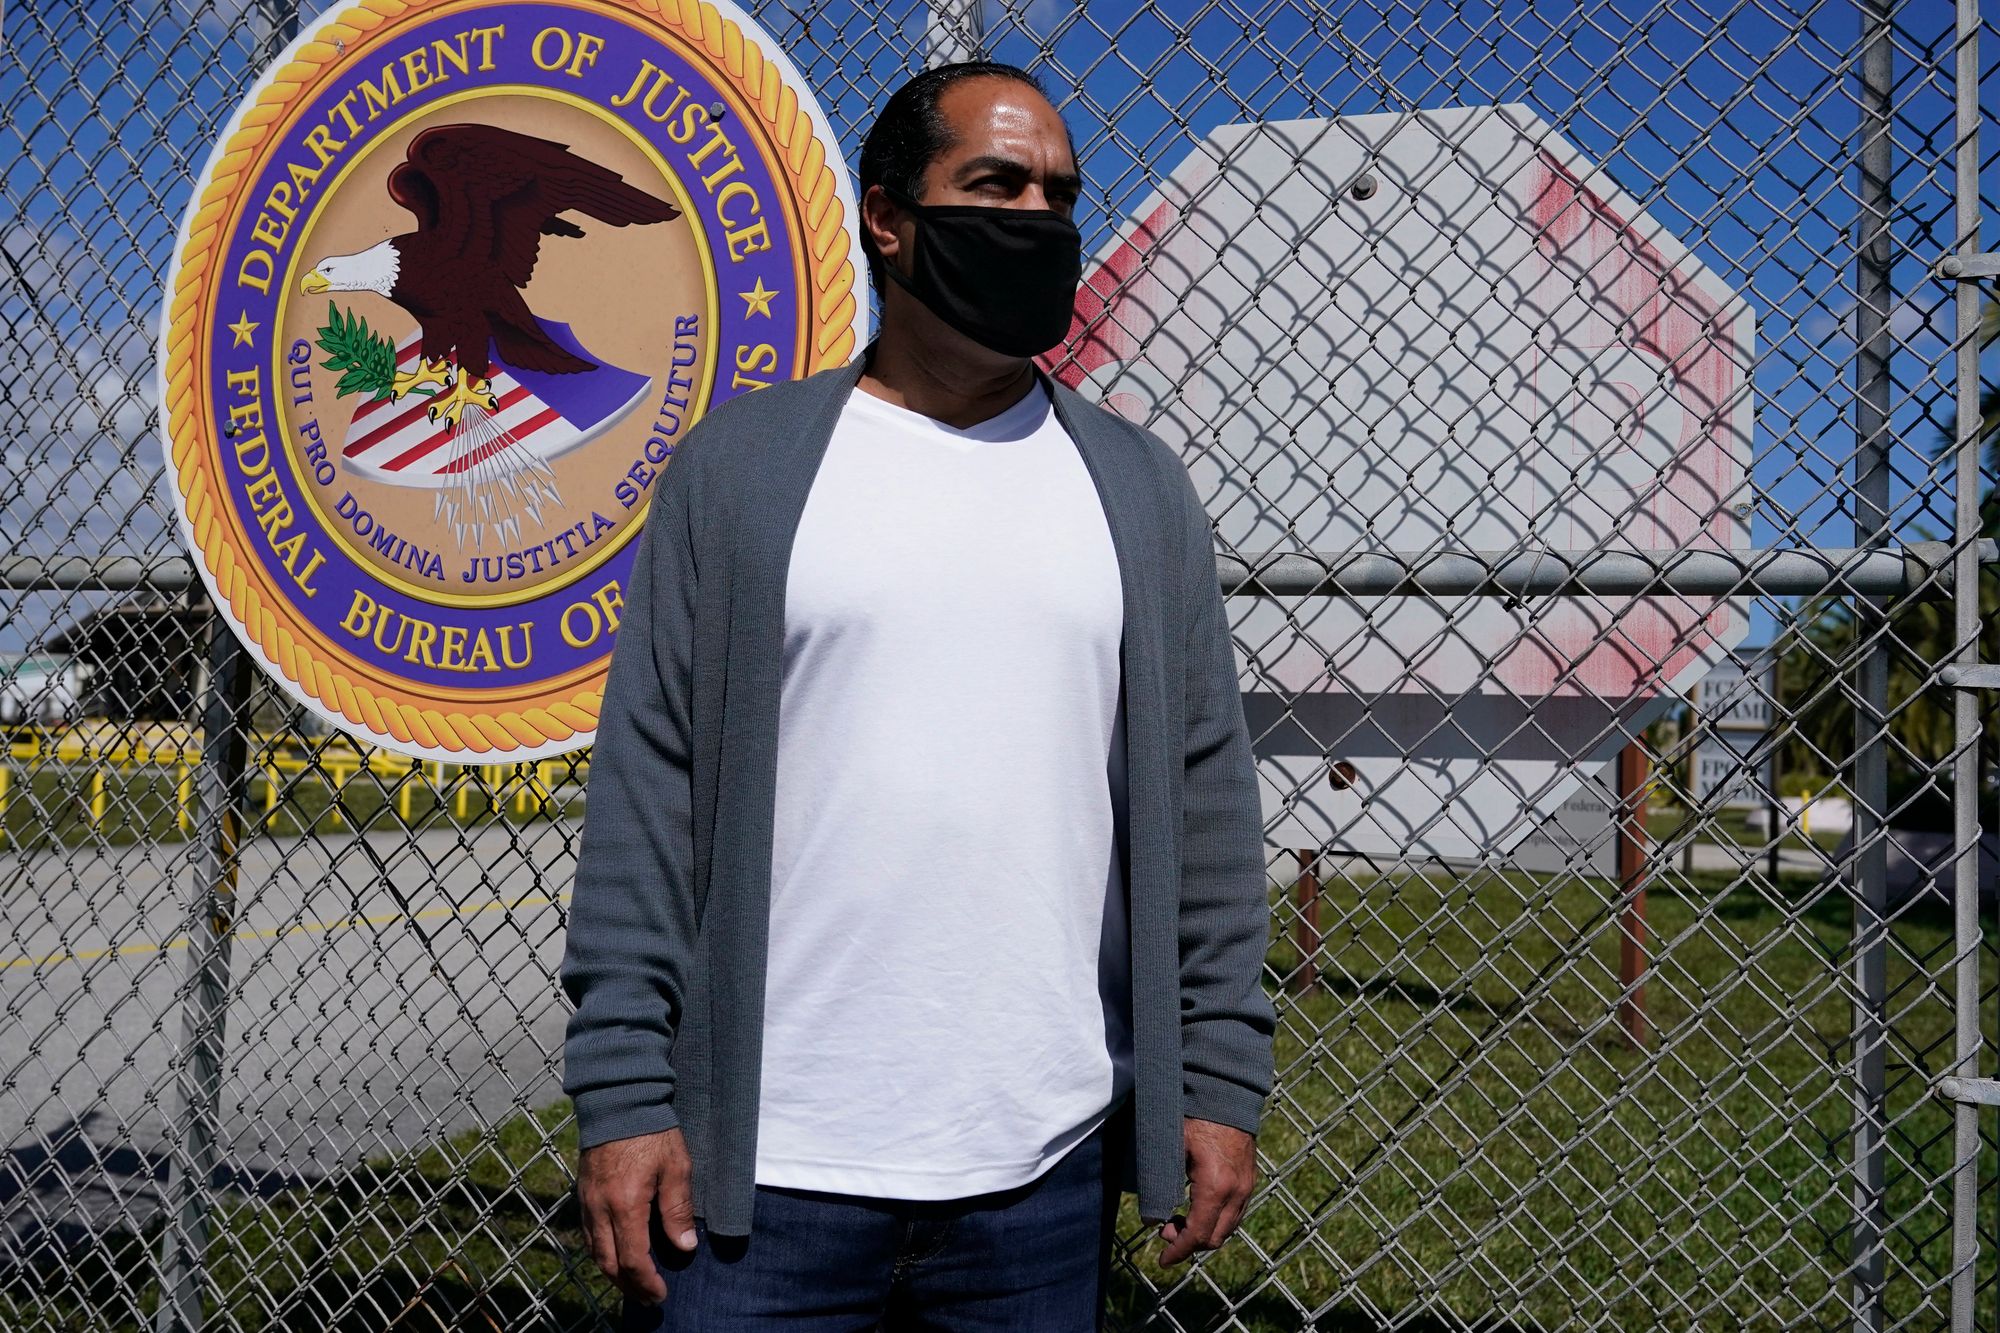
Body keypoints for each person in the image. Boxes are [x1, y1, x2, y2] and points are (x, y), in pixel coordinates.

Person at [561, 60, 1275, 1330]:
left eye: (1058, 195)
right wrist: (624, 1096)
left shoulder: (1134, 489)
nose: (1035, 220)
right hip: (758, 1177)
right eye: (992, 183)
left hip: (1039, 1177)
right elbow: (646, 799)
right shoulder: (742, 470)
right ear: (887, 216)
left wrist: (1217, 1079)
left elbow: (1204, 804)